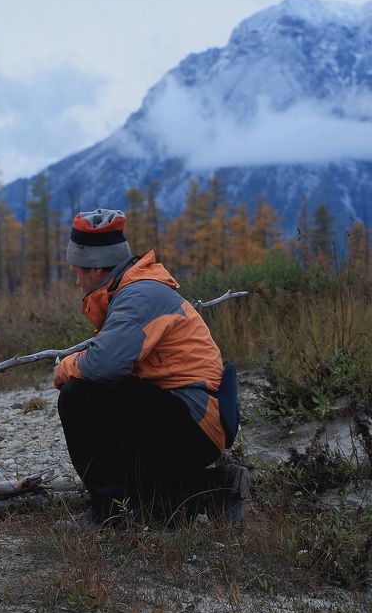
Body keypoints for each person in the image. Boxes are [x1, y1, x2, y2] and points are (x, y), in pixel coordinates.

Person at [53, 208, 248, 527]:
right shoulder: (131, 289)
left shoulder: (138, 294)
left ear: (98, 267)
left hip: (192, 416)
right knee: (160, 511)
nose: (76, 279)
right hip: (188, 415)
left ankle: (107, 514)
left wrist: (65, 367)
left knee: (79, 395)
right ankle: (217, 490)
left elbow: (103, 365)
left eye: (78, 271)